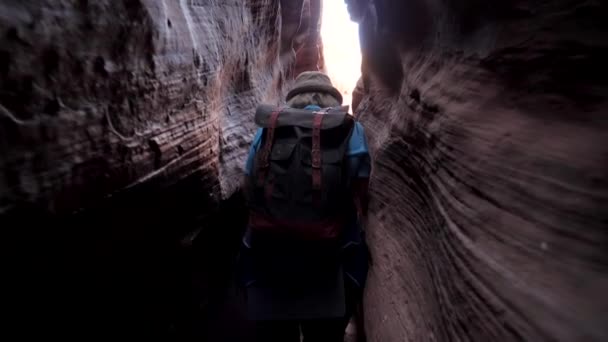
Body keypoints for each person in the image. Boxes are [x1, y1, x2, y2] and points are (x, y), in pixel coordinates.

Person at [238, 71, 371, 342]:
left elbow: (249, 179)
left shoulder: (269, 127)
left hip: (269, 255)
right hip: (330, 258)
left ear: (292, 99)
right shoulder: (349, 127)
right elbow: (360, 187)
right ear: (330, 100)